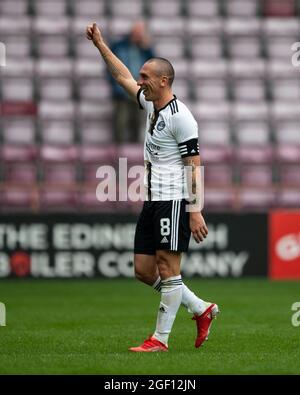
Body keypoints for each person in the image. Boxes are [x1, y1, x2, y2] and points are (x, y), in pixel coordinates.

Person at [86, 22, 219, 352]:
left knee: (167, 266)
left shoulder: (181, 117)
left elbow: (194, 165)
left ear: (163, 81)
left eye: (145, 76)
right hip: (151, 198)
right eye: (141, 76)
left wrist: (195, 210)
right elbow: (121, 77)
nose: (139, 81)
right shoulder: (149, 104)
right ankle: (201, 308)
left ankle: (160, 340)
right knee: (144, 271)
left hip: (173, 199)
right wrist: (101, 45)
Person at [109, 21, 154, 143]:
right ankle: (118, 151)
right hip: (121, 90)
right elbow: (110, 65)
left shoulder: (144, 48)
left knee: (137, 121)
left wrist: (147, 48)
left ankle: (133, 151)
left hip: (140, 90)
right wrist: (115, 84)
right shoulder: (119, 46)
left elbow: (154, 65)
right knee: (120, 121)